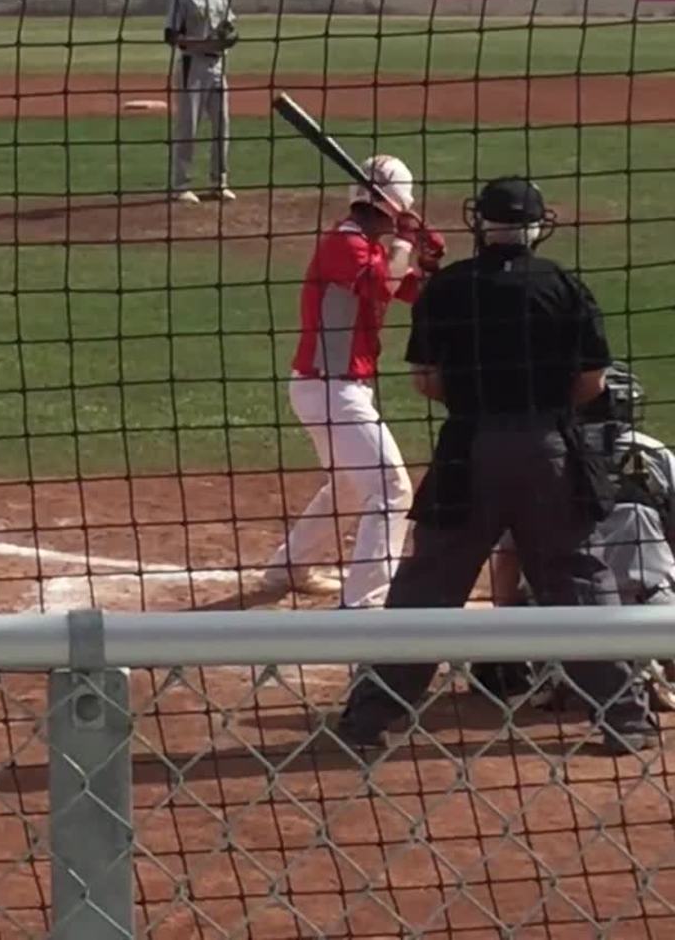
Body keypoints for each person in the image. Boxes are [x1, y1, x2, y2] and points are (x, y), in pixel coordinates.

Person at [338, 175, 658, 754]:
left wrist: (479, 400)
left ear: (481, 222)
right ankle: (624, 720)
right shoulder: (564, 286)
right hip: (551, 454)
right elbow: (591, 382)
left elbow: (426, 381)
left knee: (428, 586)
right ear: (537, 226)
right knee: (579, 583)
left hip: (469, 452)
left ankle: (368, 720)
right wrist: (541, 407)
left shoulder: (449, 288)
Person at [261, 155, 446, 609]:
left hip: (335, 388)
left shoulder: (371, 246)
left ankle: (290, 566)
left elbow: (415, 293)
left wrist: (427, 263)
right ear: (394, 204)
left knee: (347, 484)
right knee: (391, 489)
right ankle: (367, 602)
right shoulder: (345, 244)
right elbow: (382, 286)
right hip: (329, 388)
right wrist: (406, 240)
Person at [479, 362, 675, 709]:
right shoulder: (654, 452)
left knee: (537, 580)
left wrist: (502, 636)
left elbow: (508, 559)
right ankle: (652, 663)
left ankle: (562, 672)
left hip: (567, 614)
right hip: (653, 613)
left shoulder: (545, 453)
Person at [165, 0, 237, 204]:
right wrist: (202, 43)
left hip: (218, 66)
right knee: (188, 126)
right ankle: (181, 185)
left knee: (222, 125)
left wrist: (228, 37)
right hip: (192, 66)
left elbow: (230, 25)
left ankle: (219, 183)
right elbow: (171, 35)